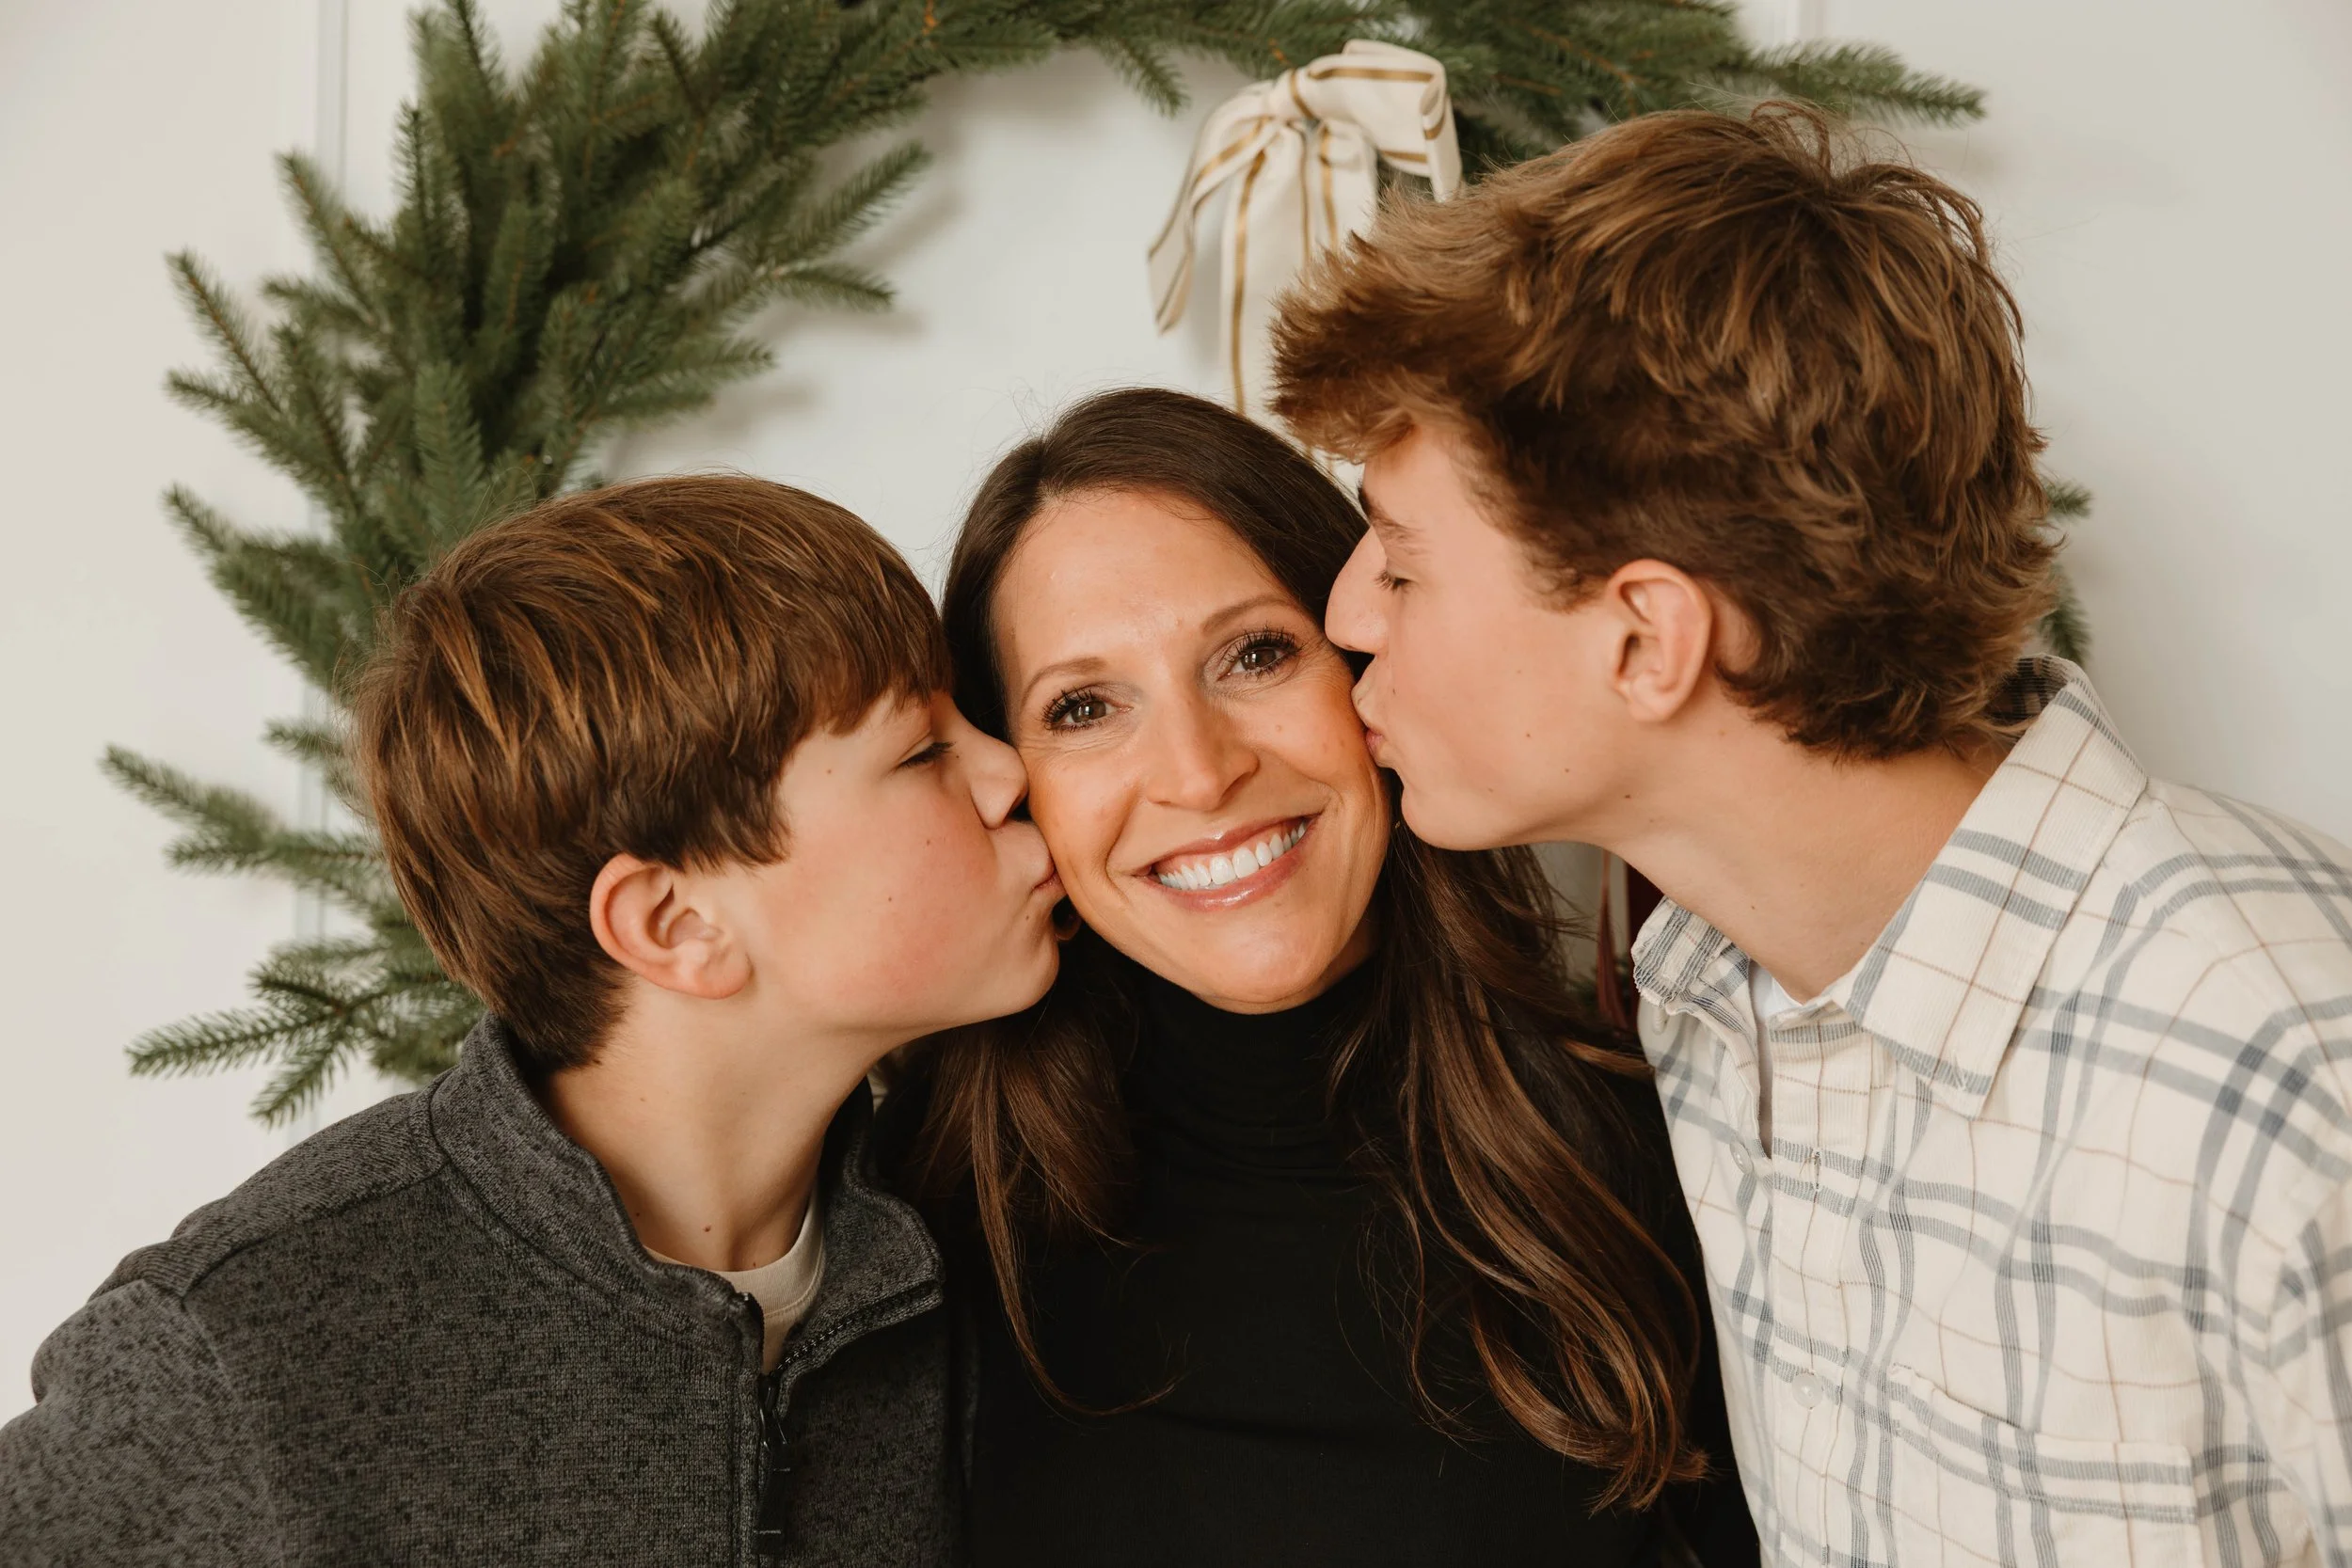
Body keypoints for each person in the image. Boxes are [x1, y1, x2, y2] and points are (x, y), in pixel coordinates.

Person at [1270, 102, 2352, 1568]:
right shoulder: (1715, 996)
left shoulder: (2285, 1061)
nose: (1342, 616)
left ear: (1647, 639)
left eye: (1400, 562)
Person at [0, 476, 1064, 1567]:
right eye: (921, 751)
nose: (1007, 768)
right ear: (676, 922)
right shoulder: (243, 1336)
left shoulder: (967, 1252)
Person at [890, 387, 1757, 1566]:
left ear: (1374, 670)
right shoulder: (911, 1221)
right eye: (1085, 707)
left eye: (1255, 654)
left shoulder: (1657, 1160)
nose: (1198, 774)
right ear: (1011, 783)